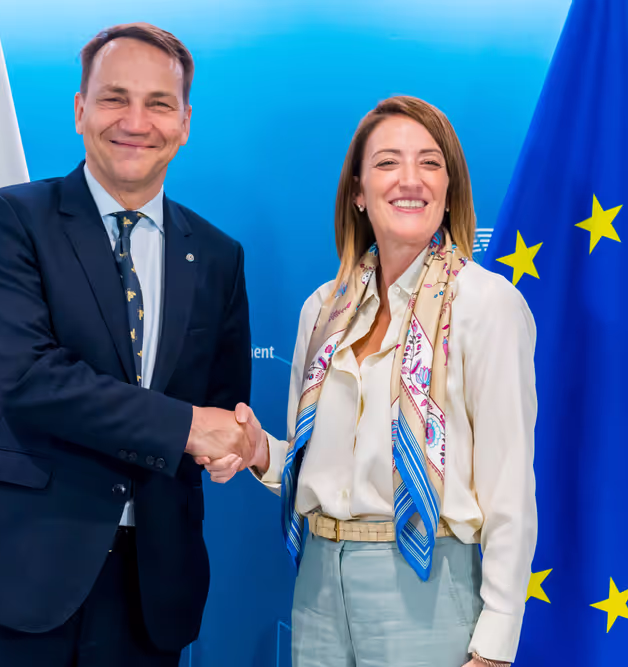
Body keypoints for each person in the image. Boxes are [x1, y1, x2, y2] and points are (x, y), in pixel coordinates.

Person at [0, 23, 255, 667]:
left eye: (159, 104)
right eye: (113, 98)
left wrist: (233, 442)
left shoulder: (217, 255)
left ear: (184, 122)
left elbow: (219, 404)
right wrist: (187, 427)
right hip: (15, 577)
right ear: (79, 110)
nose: (135, 121)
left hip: (150, 593)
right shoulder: (8, 220)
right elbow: (28, 380)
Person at [205, 96, 537, 667]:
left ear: (450, 187)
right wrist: (260, 452)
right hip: (316, 588)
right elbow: (314, 470)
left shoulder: (487, 305)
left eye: (430, 163)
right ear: (357, 192)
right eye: (387, 163)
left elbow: (509, 490)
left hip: (428, 589)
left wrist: (496, 643)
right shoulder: (323, 309)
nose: (410, 180)